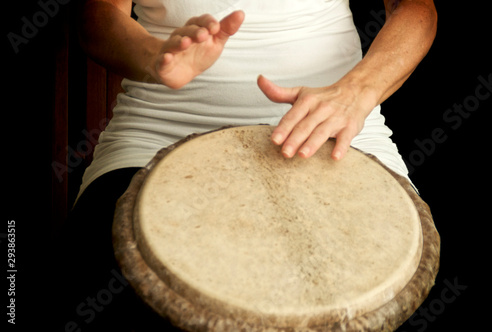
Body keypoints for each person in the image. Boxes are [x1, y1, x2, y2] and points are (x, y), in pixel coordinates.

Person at [54, 0, 437, 330]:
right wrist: (155, 56)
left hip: (334, 123)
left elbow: (416, 8)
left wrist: (357, 92)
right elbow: (99, 15)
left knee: (388, 291)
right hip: (160, 128)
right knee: (95, 277)